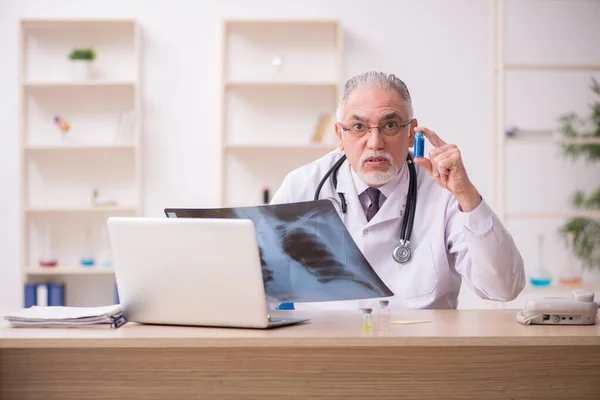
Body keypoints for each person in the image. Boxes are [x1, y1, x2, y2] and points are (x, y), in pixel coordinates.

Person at [269, 71, 526, 310]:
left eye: (389, 125)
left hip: (420, 352)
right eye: (359, 127)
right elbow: (262, 283)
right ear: (339, 134)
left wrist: (466, 194)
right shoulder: (302, 186)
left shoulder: (446, 190)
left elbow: (503, 289)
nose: (375, 142)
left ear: (412, 132)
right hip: (326, 352)